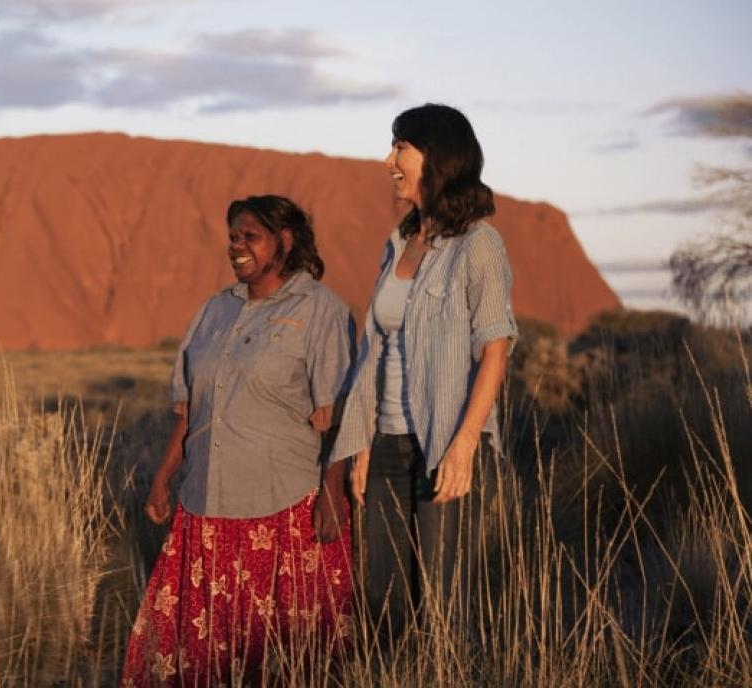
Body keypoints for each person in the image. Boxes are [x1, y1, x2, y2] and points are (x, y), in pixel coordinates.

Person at [122, 195, 355, 686]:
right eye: (232, 237)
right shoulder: (215, 310)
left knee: (292, 657)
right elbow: (193, 407)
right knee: (195, 655)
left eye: (249, 236)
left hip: (286, 510)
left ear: (285, 241)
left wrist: (333, 491)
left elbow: (337, 415)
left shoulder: (319, 310)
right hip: (205, 506)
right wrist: (163, 477)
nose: (236, 247)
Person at [324, 103, 518, 640]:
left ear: (436, 157)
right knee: (387, 607)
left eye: (400, 146)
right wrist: (361, 444)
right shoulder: (398, 244)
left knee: (442, 610)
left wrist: (464, 446)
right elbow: (376, 352)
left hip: (442, 446)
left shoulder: (478, 244)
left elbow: (495, 349)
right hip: (386, 446)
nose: (388, 159)